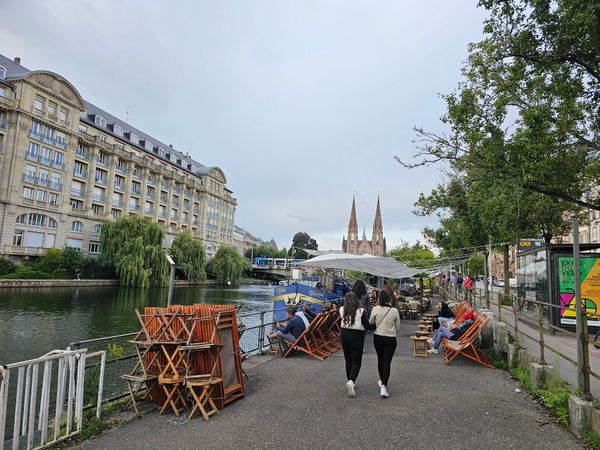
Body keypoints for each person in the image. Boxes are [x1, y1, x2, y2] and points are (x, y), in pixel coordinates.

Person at [369, 290, 401, 398]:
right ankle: (384, 386)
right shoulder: (395, 311)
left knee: (380, 359)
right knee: (387, 362)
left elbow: (371, 322)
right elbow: (398, 327)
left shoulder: (375, 309)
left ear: (379, 299)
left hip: (378, 337)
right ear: (389, 299)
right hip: (390, 338)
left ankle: (382, 381)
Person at [339, 292, 372, 397]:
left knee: (348, 360)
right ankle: (351, 381)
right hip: (356, 336)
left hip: (344, 334)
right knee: (356, 361)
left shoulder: (341, 310)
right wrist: (376, 324)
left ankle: (350, 380)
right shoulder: (361, 311)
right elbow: (367, 326)